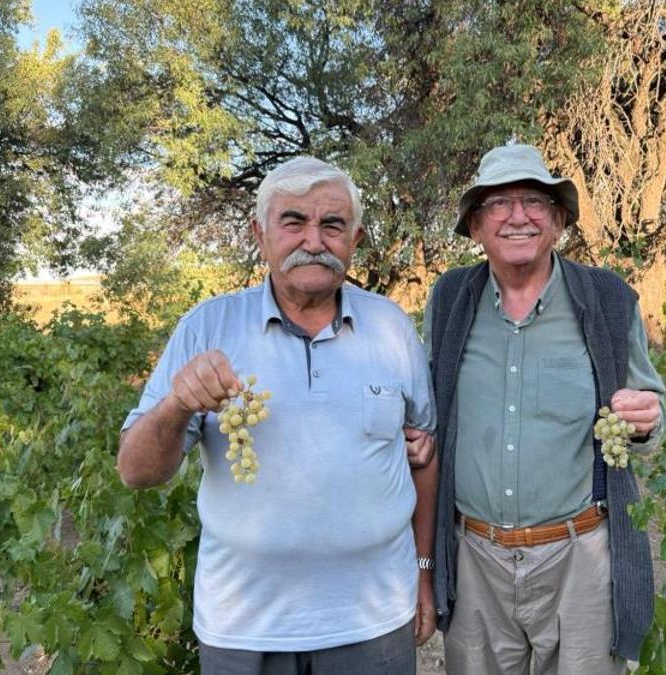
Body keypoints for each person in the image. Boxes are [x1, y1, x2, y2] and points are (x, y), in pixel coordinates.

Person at [117, 157, 438, 675]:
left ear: (354, 239)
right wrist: (176, 404)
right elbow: (136, 472)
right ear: (259, 234)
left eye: (332, 225)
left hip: (374, 621)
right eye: (293, 221)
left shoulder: (392, 328)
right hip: (244, 628)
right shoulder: (207, 327)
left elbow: (424, 453)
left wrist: (423, 570)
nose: (314, 240)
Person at [425, 144, 666, 675]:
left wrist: (647, 420)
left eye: (534, 201)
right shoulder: (449, 299)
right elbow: (427, 408)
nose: (518, 216)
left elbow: (651, 405)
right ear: (475, 226)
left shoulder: (606, 299)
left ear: (558, 221)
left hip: (579, 557)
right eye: (498, 203)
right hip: (475, 557)